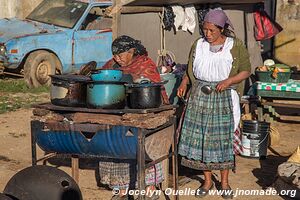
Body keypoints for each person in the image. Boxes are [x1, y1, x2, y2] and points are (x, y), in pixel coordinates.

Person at [177, 9, 251, 199]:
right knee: (203, 140)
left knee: (222, 141)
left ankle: (225, 183)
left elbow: (246, 71)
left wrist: (229, 81)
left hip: (224, 96)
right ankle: (208, 181)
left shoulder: (235, 46)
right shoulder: (198, 44)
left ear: (222, 29)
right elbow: (190, 68)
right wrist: (184, 82)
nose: (207, 34)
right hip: (199, 97)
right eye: (205, 30)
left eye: (212, 31)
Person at [99, 35, 169, 200]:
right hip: (119, 116)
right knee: (115, 144)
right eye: (114, 55)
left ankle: (149, 189)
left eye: (120, 55)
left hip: (145, 115)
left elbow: (155, 92)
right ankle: (120, 190)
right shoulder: (112, 65)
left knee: (146, 148)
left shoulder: (145, 65)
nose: (117, 59)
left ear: (131, 51)